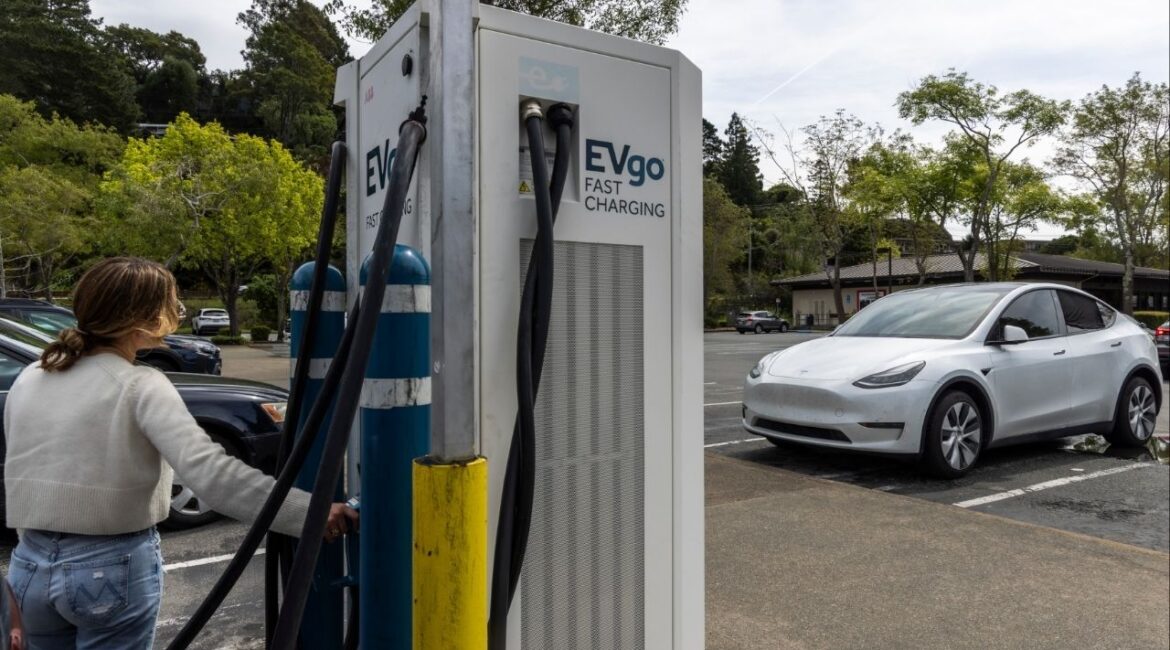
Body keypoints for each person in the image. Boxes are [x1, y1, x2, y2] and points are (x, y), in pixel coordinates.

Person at [2, 257, 358, 649]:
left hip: (28, 565)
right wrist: (310, 513)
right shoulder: (140, 384)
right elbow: (212, 475)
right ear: (147, 319)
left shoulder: (32, 375)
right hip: (109, 567)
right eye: (172, 303)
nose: (177, 312)